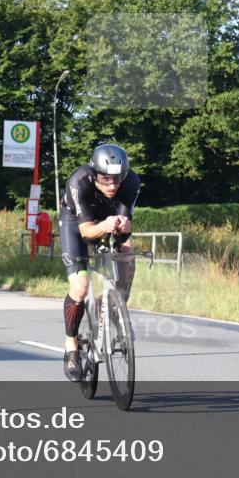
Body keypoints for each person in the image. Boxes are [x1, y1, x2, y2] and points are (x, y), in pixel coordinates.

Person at [58, 144, 140, 382]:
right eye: (106, 179)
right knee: (80, 287)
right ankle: (71, 344)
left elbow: (127, 222)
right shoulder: (79, 182)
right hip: (76, 222)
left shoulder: (132, 181)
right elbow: (86, 232)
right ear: (95, 174)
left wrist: (124, 227)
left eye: (117, 179)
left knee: (128, 254)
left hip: (108, 216)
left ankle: (116, 307)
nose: (112, 185)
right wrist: (103, 227)